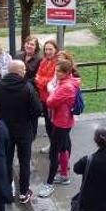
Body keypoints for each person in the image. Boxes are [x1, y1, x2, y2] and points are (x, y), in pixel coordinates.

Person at [0, 60, 44, 204]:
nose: (25, 72)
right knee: (24, 162)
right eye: (24, 70)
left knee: (6, 160)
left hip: (5, 130)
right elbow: (38, 110)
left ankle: (9, 187)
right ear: (19, 71)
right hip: (24, 130)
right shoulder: (27, 87)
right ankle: (24, 191)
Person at [38, 59, 80, 198]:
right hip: (64, 120)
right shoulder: (67, 83)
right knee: (62, 148)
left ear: (66, 72)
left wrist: (52, 91)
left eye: (58, 71)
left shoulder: (66, 87)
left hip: (62, 122)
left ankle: (49, 184)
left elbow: (50, 102)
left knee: (54, 152)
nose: (56, 73)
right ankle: (64, 175)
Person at [34, 40, 59, 154]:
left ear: (55, 50)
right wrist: (44, 81)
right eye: (46, 49)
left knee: (54, 124)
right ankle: (51, 144)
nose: (47, 52)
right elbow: (37, 78)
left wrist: (42, 81)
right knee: (48, 123)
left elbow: (53, 82)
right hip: (43, 98)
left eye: (50, 49)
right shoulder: (43, 61)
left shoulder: (58, 63)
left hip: (53, 99)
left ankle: (56, 148)